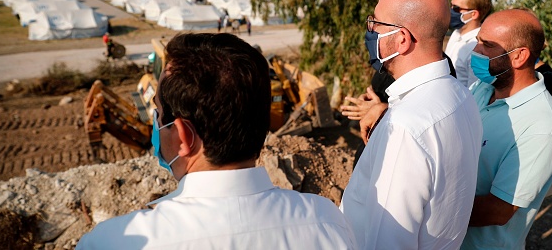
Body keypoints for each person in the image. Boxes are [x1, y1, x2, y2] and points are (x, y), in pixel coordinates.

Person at [76, 33, 356, 249]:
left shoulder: (109, 242)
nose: (156, 124)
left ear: (184, 137)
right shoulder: (328, 222)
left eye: (159, 114)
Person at [340, 0, 483, 249]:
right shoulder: (461, 95)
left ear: (402, 39)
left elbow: (387, 240)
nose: (369, 30)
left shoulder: (405, 128)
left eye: (375, 24)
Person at [460, 9, 552, 249]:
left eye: (487, 45)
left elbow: (498, 210)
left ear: (519, 56)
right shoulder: (482, 88)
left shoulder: (543, 126)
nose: (476, 51)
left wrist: (428, 214)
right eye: (478, 41)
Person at [445, 0, 492, 87]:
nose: (451, 11)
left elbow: (475, 90)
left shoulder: (478, 47)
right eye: (451, 5)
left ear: (473, 14)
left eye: (456, 8)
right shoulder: (456, 33)